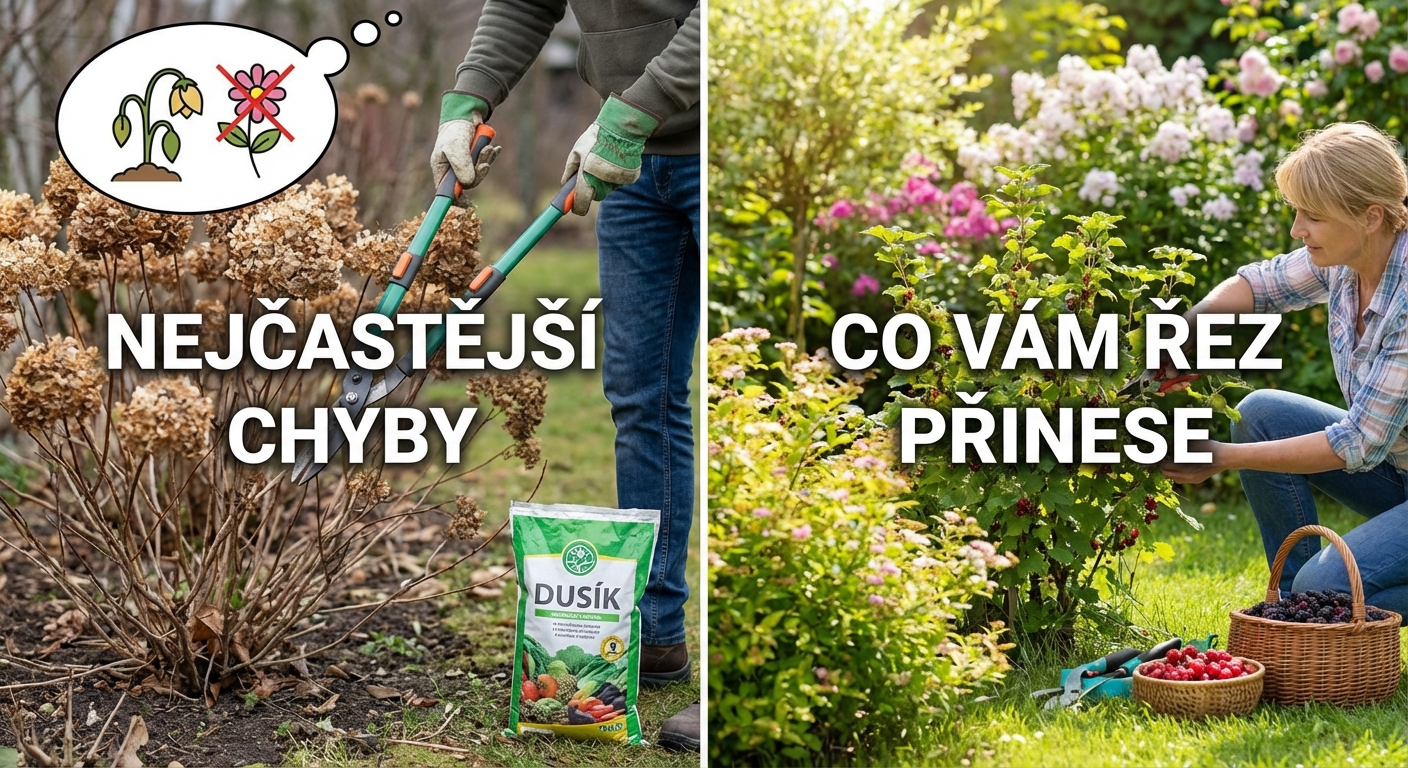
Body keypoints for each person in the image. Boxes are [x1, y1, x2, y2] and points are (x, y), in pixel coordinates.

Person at [430, 0, 700, 751]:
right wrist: (468, 97)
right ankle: (656, 633)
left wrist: (635, 109)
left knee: (747, 385)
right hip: (636, 161)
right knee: (641, 398)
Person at [1160, 122, 1408, 616]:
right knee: (1260, 413)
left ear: (1371, 217)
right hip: (1398, 471)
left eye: (1311, 216)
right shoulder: (1347, 258)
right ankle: (1295, 613)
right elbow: (1260, 285)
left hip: (1380, 455)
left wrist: (1222, 456)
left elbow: (1357, 443)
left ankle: (1319, 603)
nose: (1297, 229)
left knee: (1329, 581)